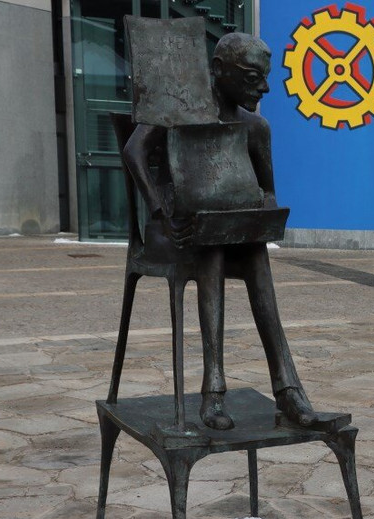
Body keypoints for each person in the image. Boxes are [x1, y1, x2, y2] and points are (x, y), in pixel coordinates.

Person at [123, 32, 327, 431]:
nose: (264, 88)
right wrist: (159, 210)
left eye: (265, 78)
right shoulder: (179, 108)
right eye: (252, 77)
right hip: (173, 229)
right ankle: (216, 388)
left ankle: (285, 388)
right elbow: (134, 151)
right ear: (218, 71)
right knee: (214, 247)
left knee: (251, 251)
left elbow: (267, 192)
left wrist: (261, 215)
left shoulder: (255, 127)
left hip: (227, 233)